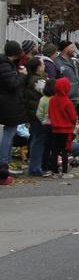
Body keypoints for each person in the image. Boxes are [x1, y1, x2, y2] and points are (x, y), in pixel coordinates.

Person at [0, 41, 28, 185]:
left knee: (9, 132)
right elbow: (12, 84)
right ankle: (3, 163)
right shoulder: (5, 66)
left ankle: (5, 162)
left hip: (8, 102)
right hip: (8, 104)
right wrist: (22, 75)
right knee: (9, 132)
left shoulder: (8, 65)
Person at [46, 77, 78, 178]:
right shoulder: (67, 102)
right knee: (65, 151)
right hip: (66, 129)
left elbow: (50, 114)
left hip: (55, 128)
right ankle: (64, 171)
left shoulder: (52, 100)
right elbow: (73, 117)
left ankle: (54, 171)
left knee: (55, 151)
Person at [22, 57, 48, 177]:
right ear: (37, 67)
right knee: (38, 140)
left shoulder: (32, 79)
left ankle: (35, 165)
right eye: (42, 64)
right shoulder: (37, 81)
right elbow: (48, 91)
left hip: (33, 113)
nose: (44, 66)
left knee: (35, 139)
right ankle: (35, 168)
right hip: (38, 114)